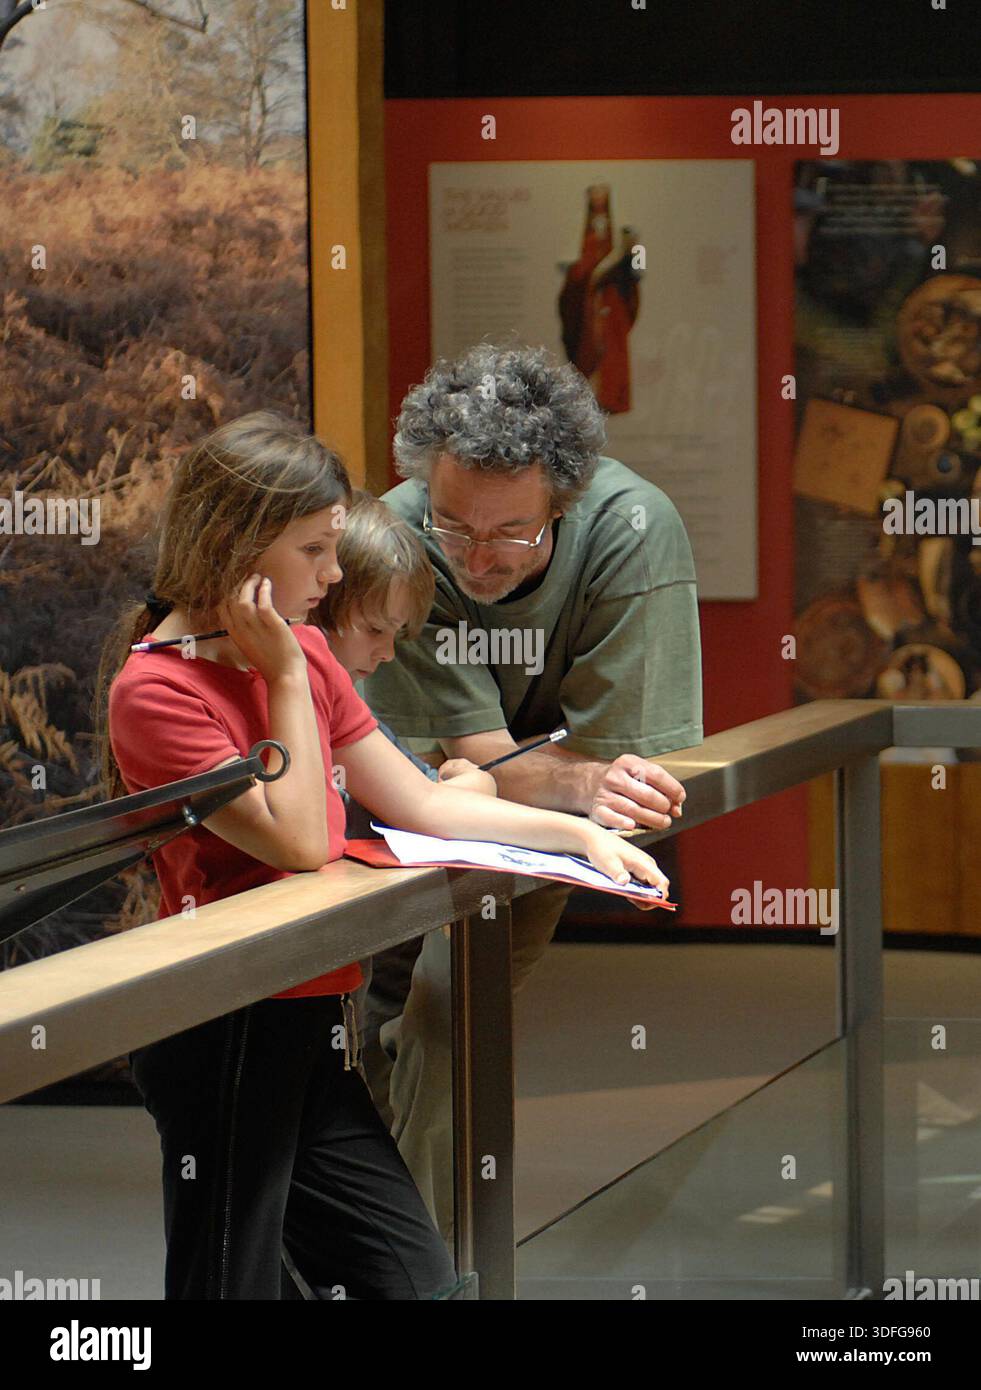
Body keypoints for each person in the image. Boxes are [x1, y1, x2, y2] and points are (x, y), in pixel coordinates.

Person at [98, 410, 670, 1299]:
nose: (333, 576)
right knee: (229, 1283)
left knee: (417, 1282)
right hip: (225, 1025)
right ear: (239, 544)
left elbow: (424, 802)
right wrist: (287, 676)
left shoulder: (303, 653)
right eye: (314, 551)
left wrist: (583, 835)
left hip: (316, 1017)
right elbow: (302, 841)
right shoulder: (158, 692)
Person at [363, 341, 702, 1243]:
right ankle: (356, 1256)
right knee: (361, 1022)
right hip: (397, 793)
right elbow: (466, 756)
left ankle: (421, 1271)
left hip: (538, 831)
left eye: (512, 533)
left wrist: (570, 783)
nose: (477, 561)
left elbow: (619, 776)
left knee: (444, 1016)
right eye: (454, 528)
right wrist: (568, 779)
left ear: (564, 500)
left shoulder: (631, 527)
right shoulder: (397, 531)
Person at [314, 491, 496, 1123]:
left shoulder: (347, 706)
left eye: (397, 635)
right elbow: (435, 802)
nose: (388, 653)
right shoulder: (305, 702)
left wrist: (462, 783)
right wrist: (465, 783)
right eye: (374, 630)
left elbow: (431, 796)